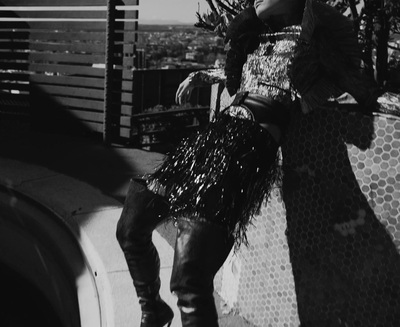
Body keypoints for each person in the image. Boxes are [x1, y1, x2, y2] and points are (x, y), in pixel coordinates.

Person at [116, 0, 380, 326]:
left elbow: (358, 84)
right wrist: (205, 74)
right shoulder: (257, 38)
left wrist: (374, 97)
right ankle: (152, 309)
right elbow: (236, 58)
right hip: (216, 137)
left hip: (248, 147)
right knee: (132, 222)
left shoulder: (314, 39)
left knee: (190, 273)